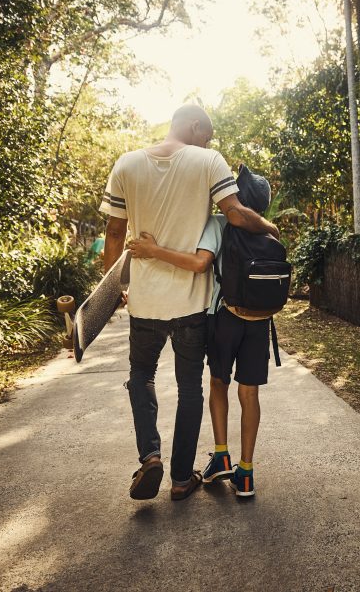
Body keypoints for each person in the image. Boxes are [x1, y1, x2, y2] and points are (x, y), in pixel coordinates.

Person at [99, 104, 278, 501]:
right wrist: (269, 226)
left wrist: (112, 288)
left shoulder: (126, 164)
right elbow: (234, 214)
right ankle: (181, 478)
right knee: (189, 389)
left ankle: (150, 455)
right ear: (195, 126)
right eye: (208, 134)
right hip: (190, 305)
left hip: (145, 302)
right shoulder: (209, 161)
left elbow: (114, 233)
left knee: (141, 377)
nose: (209, 141)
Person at [127, 167, 274, 497]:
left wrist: (153, 251)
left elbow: (198, 264)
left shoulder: (219, 224)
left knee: (218, 384)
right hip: (259, 322)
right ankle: (246, 474)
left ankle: (221, 456)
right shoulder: (268, 232)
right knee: (249, 394)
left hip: (223, 319)